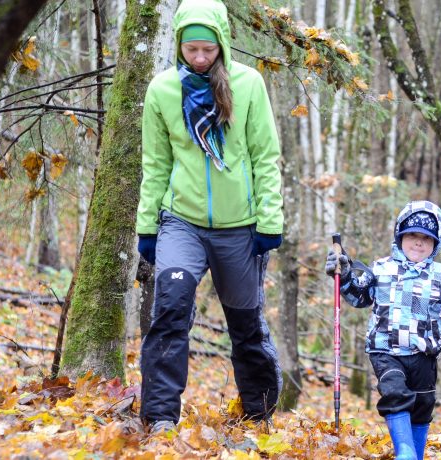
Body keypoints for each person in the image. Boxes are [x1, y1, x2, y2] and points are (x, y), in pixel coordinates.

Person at [135, 0, 284, 434]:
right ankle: (161, 416)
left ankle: (258, 415)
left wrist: (269, 221)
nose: (200, 58)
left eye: (208, 50)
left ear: (222, 44)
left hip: (240, 228)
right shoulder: (162, 90)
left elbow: (265, 157)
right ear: (179, 45)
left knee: (246, 324)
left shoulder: (249, 85)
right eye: (191, 50)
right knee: (170, 311)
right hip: (182, 221)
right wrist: (148, 225)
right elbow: (156, 163)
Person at [325, 201, 441, 460]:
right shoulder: (381, 269)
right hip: (385, 350)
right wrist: (344, 275)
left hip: (423, 354)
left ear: (437, 243)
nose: (418, 243)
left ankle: (416, 454)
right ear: (400, 235)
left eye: (427, 238)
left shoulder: (440, 275)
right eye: (412, 235)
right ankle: (405, 452)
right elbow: (359, 296)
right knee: (394, 393)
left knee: (422, 406)